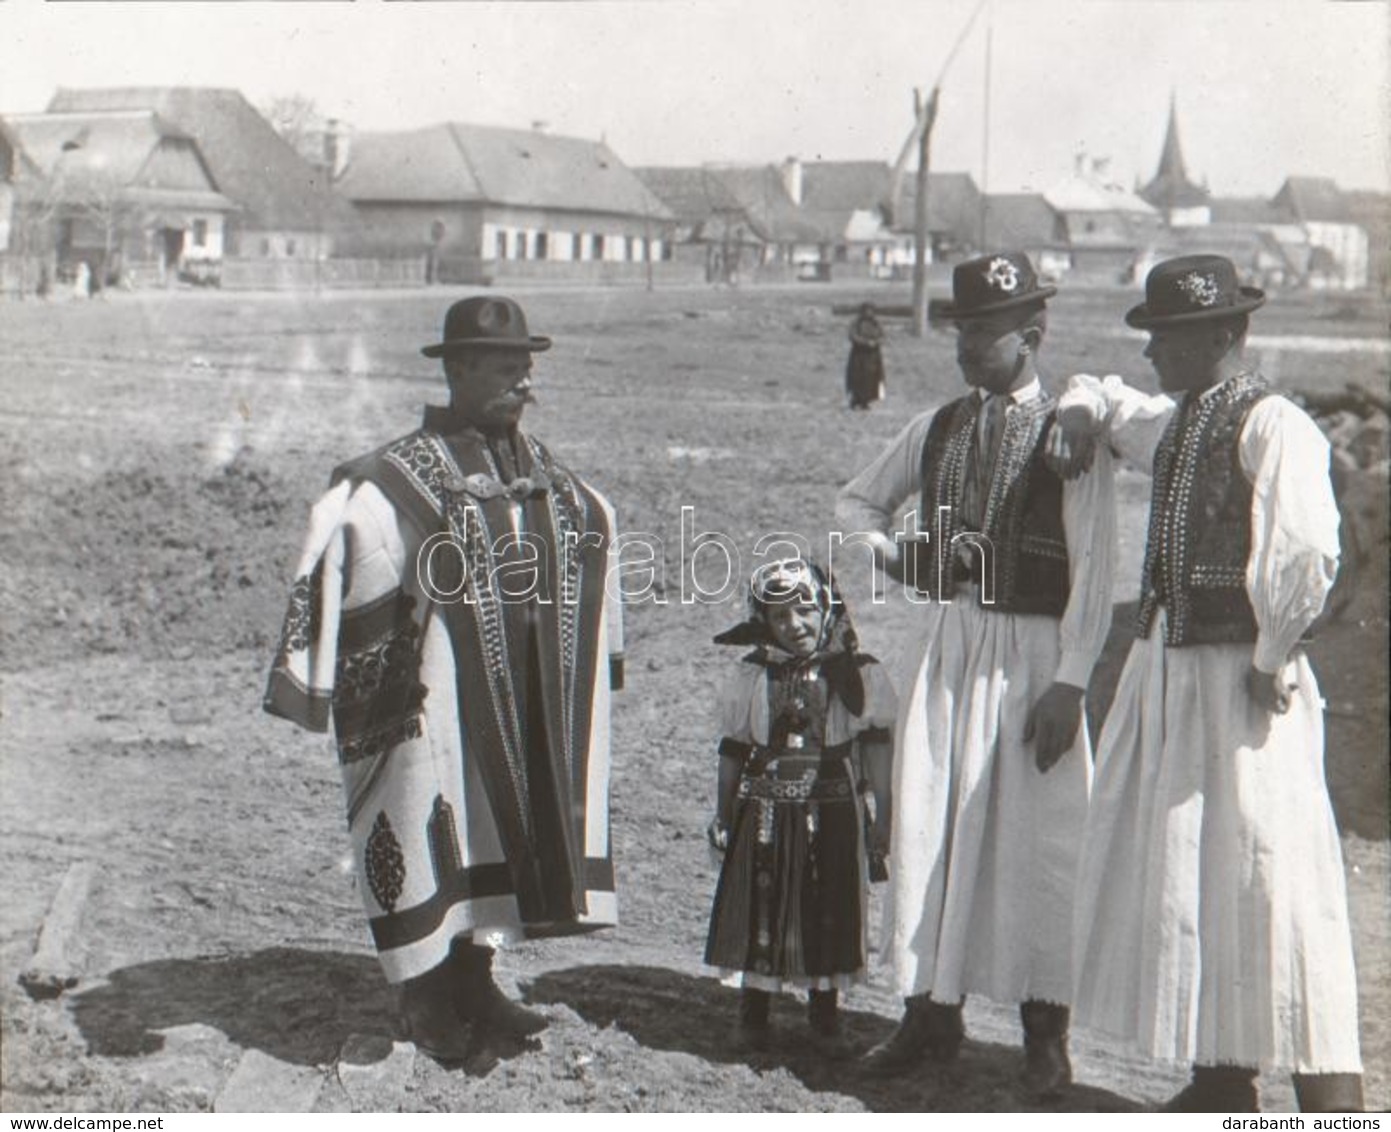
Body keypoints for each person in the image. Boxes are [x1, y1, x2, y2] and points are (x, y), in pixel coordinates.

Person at [263, 295, 624, 1064]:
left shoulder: (544, 475)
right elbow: (349, 534)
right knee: (428, 820)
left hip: (509, 701)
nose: (521, 384)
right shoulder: (398, 477)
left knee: (499, 823)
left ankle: (477, 975)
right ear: (456, 370)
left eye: (525, 370)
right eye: (501, 368)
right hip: (427, 700)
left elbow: (590, 522)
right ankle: (423, 993)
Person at [1051, 255, 1364, 1113]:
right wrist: (1080, 409)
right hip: (1175, 674)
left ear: (1224, 336)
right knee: (1198, 869)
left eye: (1170, 338)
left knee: (1276, 873)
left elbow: (1305, 554)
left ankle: (1331, 1099)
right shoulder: (1179, 420)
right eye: (1152, 337)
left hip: (1243, 685)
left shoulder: (1275, 426)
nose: (1152, 352)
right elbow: (1103, 396)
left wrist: (1269, 655)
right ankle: (1223, 1075)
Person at [835, 251, 1115, 1098]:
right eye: (961, 330)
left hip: (1035, 652)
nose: (966, 347)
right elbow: (855, 504)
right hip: (955, 643)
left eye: (985, 332)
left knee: (1040, 838)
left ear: (1030, 336)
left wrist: (1070, 682)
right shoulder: (938, 425)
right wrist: (893, 559)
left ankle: (1044, 1036)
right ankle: (928, 1016)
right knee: (929, 819)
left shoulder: (1070, 435)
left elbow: (1096, 569)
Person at [704, 558, 896, 1057]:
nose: (795, 625)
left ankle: (824, 1014)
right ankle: (754, 1012)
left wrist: (885, 819)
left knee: (828, 902)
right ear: (763, 623)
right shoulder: (752, 676)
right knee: (760, 904)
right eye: (780, 616)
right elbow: (733, 747)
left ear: (826, 606)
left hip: (833, 808)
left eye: (805, 609)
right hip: (764, 808)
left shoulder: (858, 675)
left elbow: (876, 750)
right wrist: (724, 813)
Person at [845, 302, 886, 409]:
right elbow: (852, 335)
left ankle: (866, 401)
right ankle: (855, 399)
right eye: (866, 311)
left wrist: (876, 342)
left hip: (873, 356)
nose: (868, 313)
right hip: (859, 355)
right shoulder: (856, 323)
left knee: (871, 379)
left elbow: (882, 336)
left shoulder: (876, 323)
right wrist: (865, 342)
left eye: (871, 311)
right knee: (857, 378)